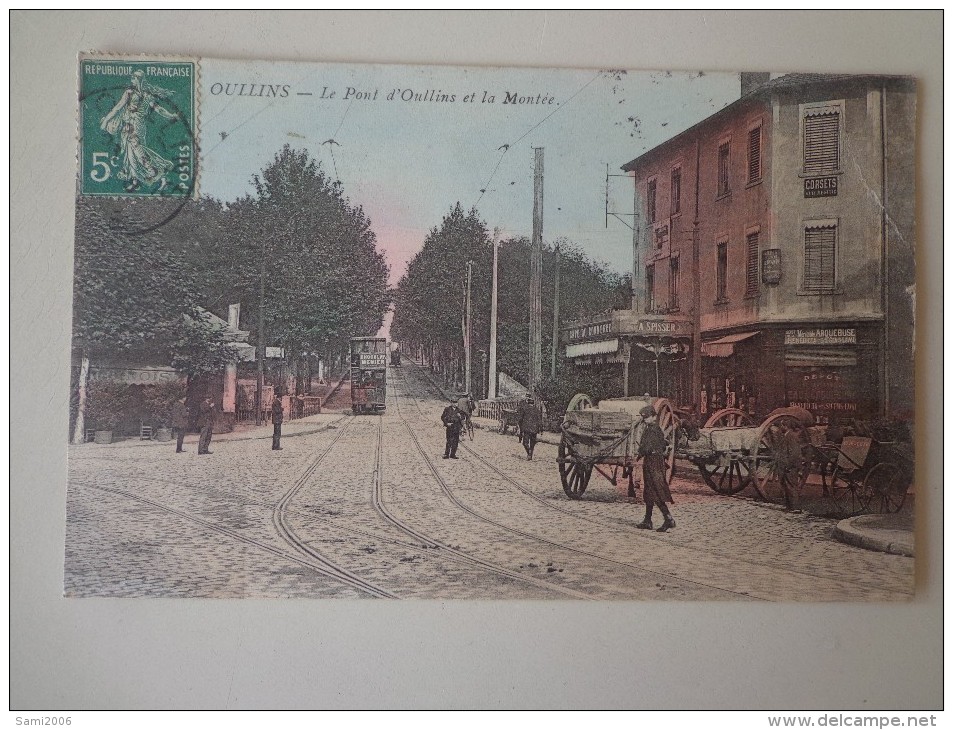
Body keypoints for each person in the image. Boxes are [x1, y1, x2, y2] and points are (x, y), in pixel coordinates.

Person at [99, 71, 179, 190]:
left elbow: (158, 109)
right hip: (130, 126)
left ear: (139, 79)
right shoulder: (135, 93)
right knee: (130, 153)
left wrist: (171, 115)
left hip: (136, 126)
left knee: (138, 152)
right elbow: (118, 108)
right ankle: (136, 181)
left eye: (134, 77)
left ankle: (160, 173)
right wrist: (171, 115)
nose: (132, 79)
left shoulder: (141, 94)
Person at [635, 405, 676, 532]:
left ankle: (668, 519)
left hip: (654, 462)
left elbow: (646, 447)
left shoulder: (653, 430)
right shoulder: (653, 428)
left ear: (654, 417)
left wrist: (640, 451)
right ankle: (648, 520)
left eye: (647, 417)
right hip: (651, 461)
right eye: (644, 418)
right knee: (649, 490)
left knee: (656, 489)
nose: (645, 420)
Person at [777, 422, 807, 509]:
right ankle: (789, 506)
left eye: (781, 426)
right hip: (787, 465)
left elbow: (795, 453)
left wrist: (789, 465)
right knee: (787, 485)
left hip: (791, 465)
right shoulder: (787, 435)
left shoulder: (792, 436)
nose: (780, 428)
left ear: (786, 426)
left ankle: (795, 507)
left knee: (792, 485)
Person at [517, 395, 543, 460]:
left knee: (525, 443)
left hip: (526, 429)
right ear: (533, 403)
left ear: (528, 402)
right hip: (534, 429)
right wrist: (541, 429)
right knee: (532, 443)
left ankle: (529, 453)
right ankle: (530, 454)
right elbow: (540, 420)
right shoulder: (537, 410)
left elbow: (520, 418)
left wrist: (519, 426)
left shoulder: (525, 409)